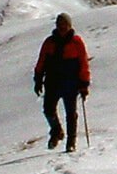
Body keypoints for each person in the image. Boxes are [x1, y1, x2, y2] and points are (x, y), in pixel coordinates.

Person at [34, 13, 91, 151]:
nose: (62, 28)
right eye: (60, 26)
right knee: (48, 110)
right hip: (52, 82)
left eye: (64, 25)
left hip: (71, 83)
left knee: (71, 113)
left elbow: (83, 63)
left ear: (69, 26)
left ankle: (71, 143)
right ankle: (57, 131)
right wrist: (38, 79)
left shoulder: (77, 42)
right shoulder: (49, 42)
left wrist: (84, 84)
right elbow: (41, 61)